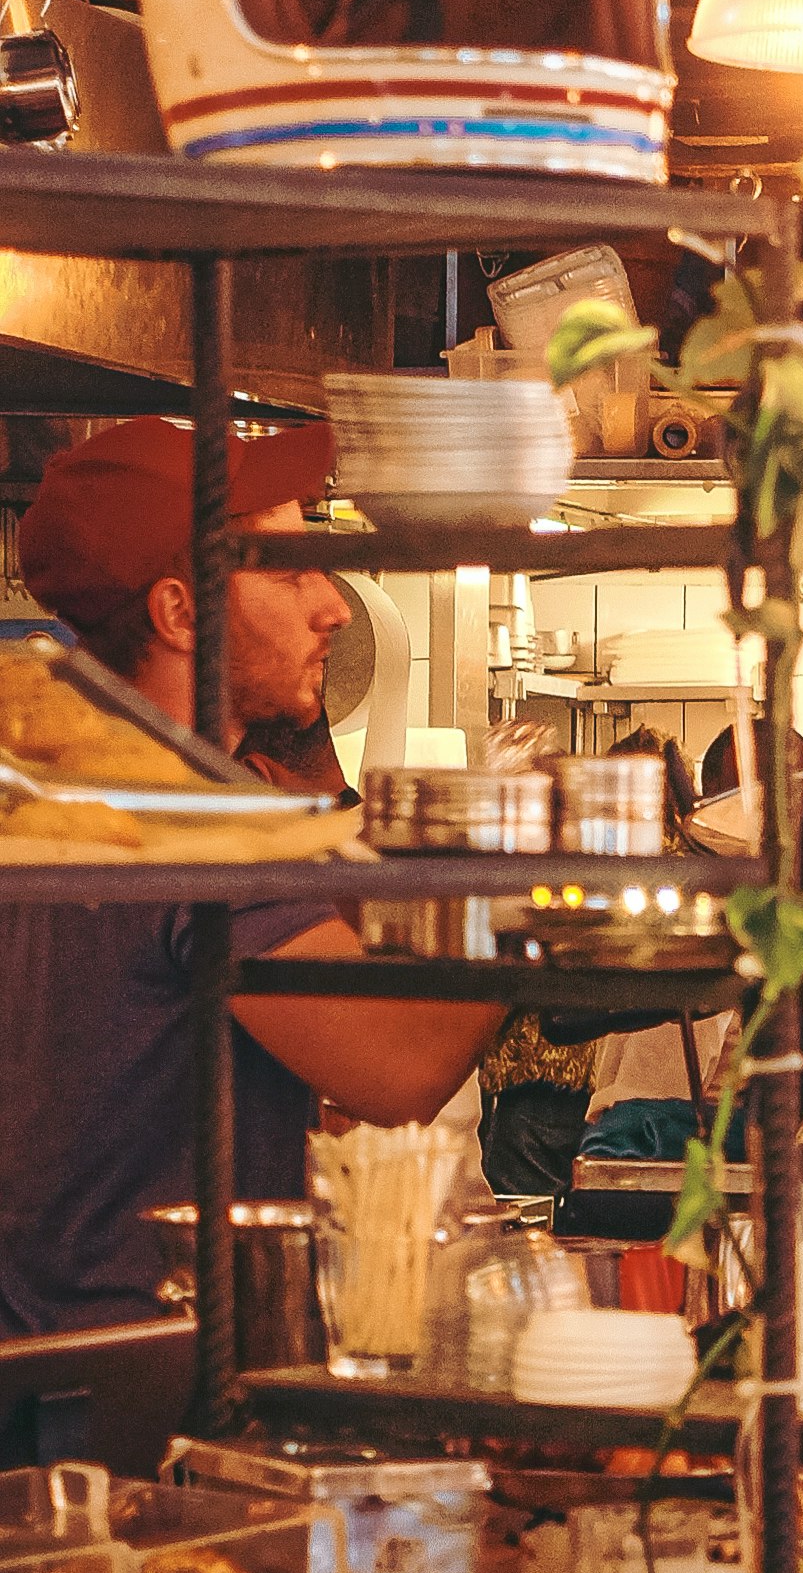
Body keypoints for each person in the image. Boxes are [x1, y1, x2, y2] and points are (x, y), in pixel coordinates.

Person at [0, 421, 502, 1331]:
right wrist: (539, 885)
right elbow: (400, 1072)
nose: (335, 607)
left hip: (39, 1364)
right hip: (149, 1371)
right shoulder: (193, 824)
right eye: (288, 568)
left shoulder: (45, 784)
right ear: (180, 613)